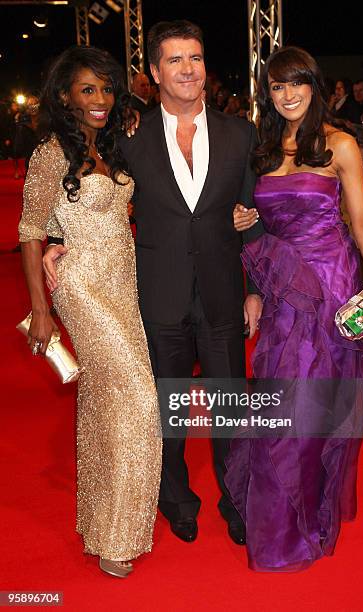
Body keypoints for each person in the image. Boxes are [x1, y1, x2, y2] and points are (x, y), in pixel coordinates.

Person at [44, 20, 263, 547]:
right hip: (156, 293)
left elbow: (257, 214)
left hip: (222, 293)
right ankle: (176, 500)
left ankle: (235, 500)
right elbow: (82, 178)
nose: (188, 69)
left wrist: (255, 286)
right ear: (154, 73)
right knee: (167, 410)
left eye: (196, 57)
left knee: (230, 405)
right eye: (175, 60)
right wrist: (55, 234)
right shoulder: (128, 136)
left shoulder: (241, 133)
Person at [226, 46, 363, 572]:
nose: (288, 94)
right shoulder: (259, 151)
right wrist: (251, 286)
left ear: (314, 86)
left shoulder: (340, 144)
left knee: (316, 403)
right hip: (281, 289)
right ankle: (281, 522)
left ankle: (302, 520)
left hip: (331, 285)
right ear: (267, 95)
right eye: (277, 87)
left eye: (297, 83)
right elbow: (255, 229)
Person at [18, 46, 162, 578]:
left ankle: (103, 526)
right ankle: (117, 532)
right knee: (140, 396)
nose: (100, 99)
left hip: (123, 284)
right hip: (79, 286)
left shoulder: (114, 145)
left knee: (108, 400)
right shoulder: (51, 152)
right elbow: (31, 231)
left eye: (106, 88)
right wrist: (40, 309)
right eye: (88, 90)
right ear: (64, 97)